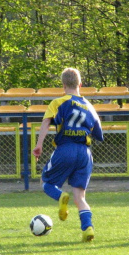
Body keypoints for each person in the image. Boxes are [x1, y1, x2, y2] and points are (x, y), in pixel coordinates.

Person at [32, 68, 104, 242]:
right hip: (85, 153)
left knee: (46, 182)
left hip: (66, 148)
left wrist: (39, 144)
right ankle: (88, 228)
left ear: (63, 85)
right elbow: (99, 133)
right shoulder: (90, 107)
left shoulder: (58, 102)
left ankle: (60, 196)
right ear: (80, 84)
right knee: (80, 197)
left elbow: (46, 122)